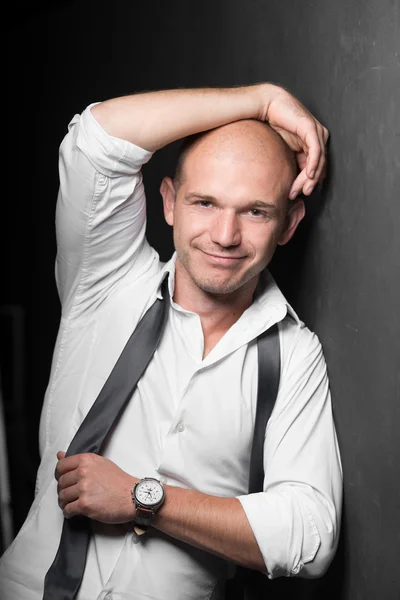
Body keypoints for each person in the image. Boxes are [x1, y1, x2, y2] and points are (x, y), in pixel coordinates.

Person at [0, 82, 342, 600]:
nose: (224, 235)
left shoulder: (294, 353)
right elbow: (96, 141)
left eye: (255, 212)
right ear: (169, 203)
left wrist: (144, 500)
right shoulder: (106, 282)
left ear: (289, 223)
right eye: (205, 202)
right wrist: (263, 101)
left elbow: (311, 534)